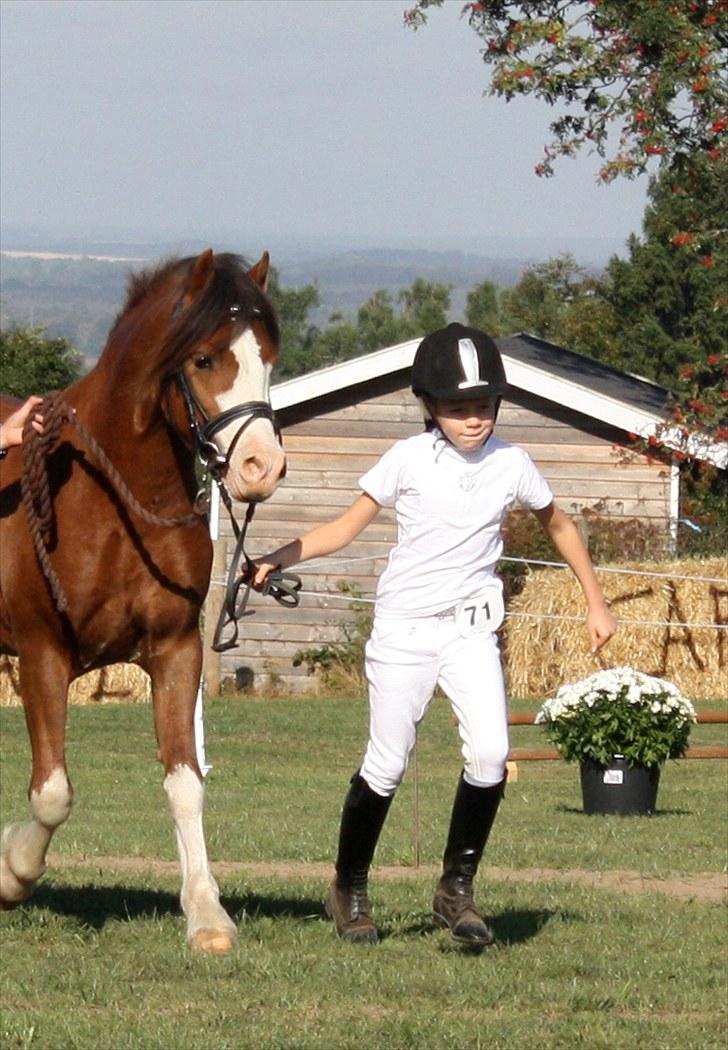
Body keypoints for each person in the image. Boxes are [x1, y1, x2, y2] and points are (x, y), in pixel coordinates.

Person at [253, 323, 617, 947]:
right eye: (457, 409)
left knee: (491, 757)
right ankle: (350, 887)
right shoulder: (407, 460)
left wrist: (595, 600)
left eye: (482, 408)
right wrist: (278, 558)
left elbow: (558, 525)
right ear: (430, 407)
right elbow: (344, 529)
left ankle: (457, 890)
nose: (472, 421)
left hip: (470, 632)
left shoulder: (513, 462)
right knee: (387, 764)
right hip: (404, 632)